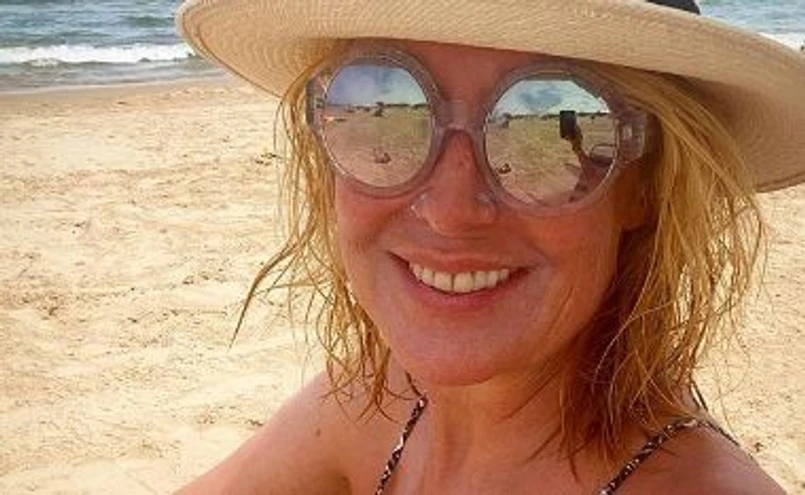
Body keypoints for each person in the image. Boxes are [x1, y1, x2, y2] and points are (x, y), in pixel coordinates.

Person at [175, 0, 805, 493]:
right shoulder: (382, 400)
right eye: (389, 105)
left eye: (552, 118)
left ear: (645, 186)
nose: (450, 212)